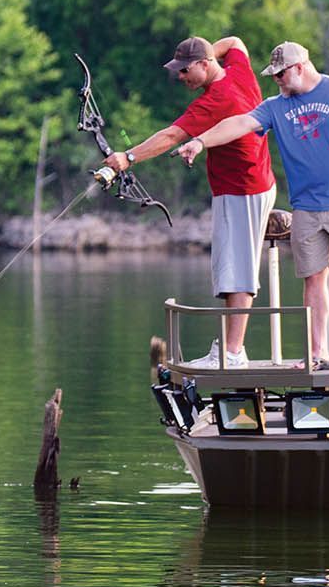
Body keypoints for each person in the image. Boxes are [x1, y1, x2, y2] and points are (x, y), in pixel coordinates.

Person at [176, 41, 329, 372]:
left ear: (300, 67)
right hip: (305, 206)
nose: (276, 80)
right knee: (313, 279)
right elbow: (238, 124)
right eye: (273, 75)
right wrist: (200, 141)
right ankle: (318, 355)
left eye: (280, 74)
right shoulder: (275, 106)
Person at [102, 35, 275, 369]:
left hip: (243, 189)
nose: (180, 77)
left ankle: (233, 353)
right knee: (230, 269)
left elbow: (170, 136)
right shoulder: (238, 71)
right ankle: (228, 349)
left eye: (185, 71)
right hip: (250, 186)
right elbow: (236, 41)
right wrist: (209, 49)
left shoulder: (214, 102)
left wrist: (129, 156)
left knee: (237, 272)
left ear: (205, 65)